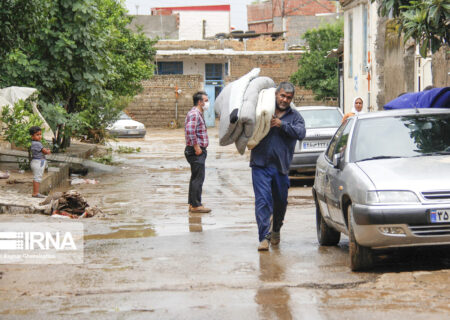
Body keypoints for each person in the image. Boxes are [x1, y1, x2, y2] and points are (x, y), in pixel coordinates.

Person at [250, 82, 306, 251]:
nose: (284, 99)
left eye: (288, 97)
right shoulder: (262, 110)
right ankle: (263, 238)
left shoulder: (295, 116)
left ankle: (276, 229)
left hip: (281, 167)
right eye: (282, 96)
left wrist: (282, 125)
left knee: (280, 203)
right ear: (276, 94)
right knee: (263, 201)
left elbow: (301, 133)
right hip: (260, 164)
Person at [184, 91, 212, 213]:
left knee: (195, 177)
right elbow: (190, 131)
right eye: (206, 101)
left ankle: (193, 203)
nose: (207, 103)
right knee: (198, 178)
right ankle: (196, 205)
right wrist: (196, 147)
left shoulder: (198, 113)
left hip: (197, 150)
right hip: (196, 151)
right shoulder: (195, 113)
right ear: (200, 102)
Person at [29, 126, 51, 198]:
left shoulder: (34, 143)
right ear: (32, 136)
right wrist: (48, 151)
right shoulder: (37, 144)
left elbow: (41, 151)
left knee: (37, 177)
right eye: (37, 135)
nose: (39, 136)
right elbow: (45, 151)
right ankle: (35, 193)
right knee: (37, 178)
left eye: (40, 134)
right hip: (38, 162)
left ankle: (36, 192)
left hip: (35, 161)